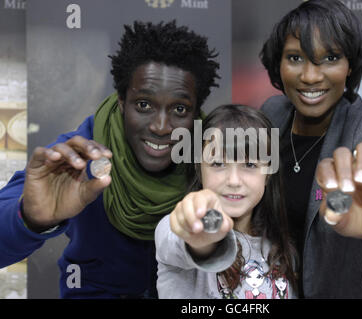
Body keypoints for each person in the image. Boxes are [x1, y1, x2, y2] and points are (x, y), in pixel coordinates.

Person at [0, 20, 220, 298]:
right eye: (144, 105)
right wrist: (30, 219)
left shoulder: (215, 155)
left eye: (179, 108)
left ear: (196, 112)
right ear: (121, 101)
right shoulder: (82, 153)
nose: (161, 126)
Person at [259, 0, 362, 298]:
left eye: (329, 58)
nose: (311, 76)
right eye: (294, 58)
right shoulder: (272, 113)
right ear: (278, 64)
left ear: (349, 65)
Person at [155, 104, 298, 299]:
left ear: (268, 174)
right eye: (218, 163)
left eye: (249, 164)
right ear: (199, 168)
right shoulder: (174, 228)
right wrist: (200, 237)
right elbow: (179, 236)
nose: (233, 181)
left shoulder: (281, 248)